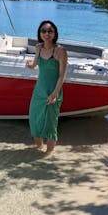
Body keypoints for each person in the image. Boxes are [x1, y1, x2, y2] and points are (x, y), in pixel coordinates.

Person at [26, 20, 68, 156]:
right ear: (40, 33)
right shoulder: (38, 47)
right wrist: (30, 65)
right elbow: (35, 64)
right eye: (43, 31)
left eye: (50, 31)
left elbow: (62, 76)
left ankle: (48, 155)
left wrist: (54, 94)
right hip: (39, 90)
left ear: (55, 33)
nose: (46, 33)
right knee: (34, 119)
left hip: (53, 91)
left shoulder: (60, 51)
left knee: (50, 123)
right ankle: (38, 149)